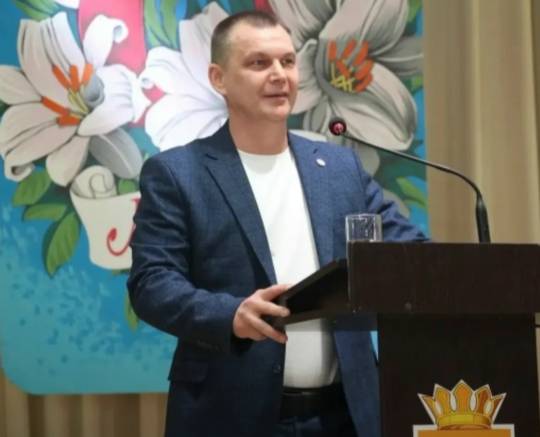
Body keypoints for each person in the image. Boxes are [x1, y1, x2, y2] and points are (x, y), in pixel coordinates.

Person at [127, 10, 426, 437]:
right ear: (218, 78)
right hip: (229, 415)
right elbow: (152, 283)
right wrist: (230, 314)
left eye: (287, 61)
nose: (279, 75)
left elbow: (411, 253)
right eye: (258, 63)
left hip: (345, 416)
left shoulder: (339, 168)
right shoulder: (178, 173)